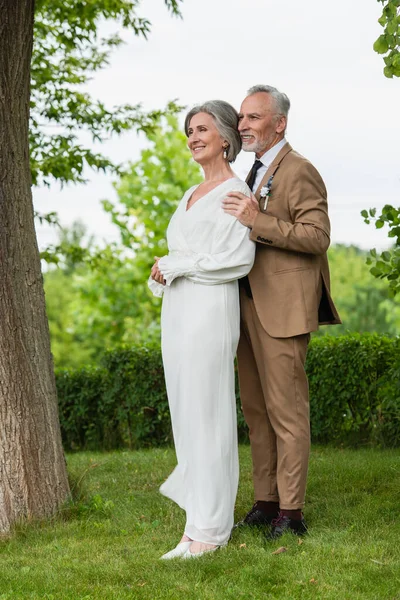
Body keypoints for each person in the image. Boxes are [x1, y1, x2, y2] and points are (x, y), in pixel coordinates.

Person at [222, 85, 341, 539]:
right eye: (241, 118)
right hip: (244, 305)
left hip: (283, 309)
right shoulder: (249, 173)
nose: (243, 125)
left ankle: (291, 514)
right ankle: (265, 501)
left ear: (279, 123)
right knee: (255, 411)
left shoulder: (300, 170)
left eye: (253, 117)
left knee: (286, 414)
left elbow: (316, 236)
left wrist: (258, 222)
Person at [148, 100, 255, 559]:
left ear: (226, 138)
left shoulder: (235, 192)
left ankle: (212, 529)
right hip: (178, 314)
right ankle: (194, 527)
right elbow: (183, 254)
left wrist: (178, 264)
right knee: (187, 416)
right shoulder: (189, 192)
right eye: (189, 130)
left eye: (202, 129)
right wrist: (163, 271)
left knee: (209, 416)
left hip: (210, 313)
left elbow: (236, 260)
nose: (193, 137)